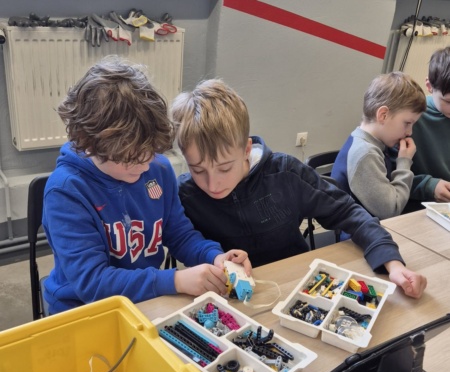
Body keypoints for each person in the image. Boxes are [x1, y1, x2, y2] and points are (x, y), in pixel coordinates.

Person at [172, 78, 427, 299]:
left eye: (225, 168)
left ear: (246, 149)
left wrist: (392, 263)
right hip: (228, 299)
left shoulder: (285, 173)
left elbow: (348, 212)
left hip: (296, 288)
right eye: (198, 170)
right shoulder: (185, 193)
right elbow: (183, 242)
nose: (212, 184)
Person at [42, 57, 250, 315]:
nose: (144, 166)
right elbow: (93, 283)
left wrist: (214, 256)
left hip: (144, 301)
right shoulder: (66, 192)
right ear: (89, 145)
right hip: (82, 310)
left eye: (149, 152)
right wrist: (174, 280)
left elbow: (179, 234)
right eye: (129, 159)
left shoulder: (157, 169)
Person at [331, 72, 426, 220]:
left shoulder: (371, 143)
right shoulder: (366, 153)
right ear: (383, 115)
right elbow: (391, 210)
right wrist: (404, 162)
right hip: (360, 233)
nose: (409, 132)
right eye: (407, 123)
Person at [409, 46, 450, 204]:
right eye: (448, 102)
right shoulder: (409, 118)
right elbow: (389, 178)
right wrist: (428, 186)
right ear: (429, 86)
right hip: (420, 206)